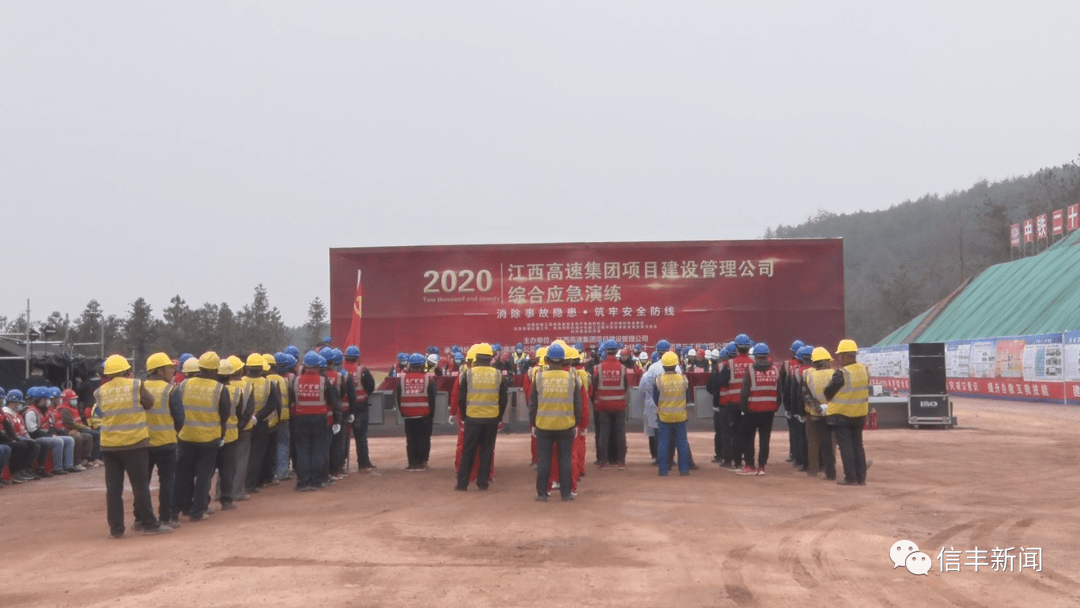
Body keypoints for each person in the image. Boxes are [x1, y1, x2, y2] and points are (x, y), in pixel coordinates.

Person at [95, 354, 172, 537]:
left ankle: (116, 529)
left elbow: (102, 411)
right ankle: (149, 524)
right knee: (140, 486)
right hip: (134, 443)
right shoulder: (136, 385)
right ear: (126, 371)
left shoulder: (100, 391)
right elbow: (150, 403)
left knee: (113, 490)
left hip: (110, 446)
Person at [171, 351, 231, 522]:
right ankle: (197, 511)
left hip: (186, 436)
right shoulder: (220, 389)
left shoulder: (183, 385)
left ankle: (175, 512)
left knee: (182, 476)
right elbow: (224, 414)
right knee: (204, 477)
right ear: (214, 370)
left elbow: (177, 409)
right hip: (209, 439)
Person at [528, 343, 582, 502]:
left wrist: (534, 423)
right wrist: (575, 423)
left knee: (544, 461)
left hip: (544, 425)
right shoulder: (572, 378)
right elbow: (577, 405)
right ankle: (566, 493)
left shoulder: (539, 377)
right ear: (563, 360)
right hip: (566, 425)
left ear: (547, 360)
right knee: (565, 461)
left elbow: (533, 404)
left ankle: (542, 493)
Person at [454, 343, 508, 491]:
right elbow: (503, 399)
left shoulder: (468, 374)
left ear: (476, 358)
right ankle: (483, 482)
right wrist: (498, 416)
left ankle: (462, 483)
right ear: (491, 358)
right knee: (487, 451)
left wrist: (464, 416)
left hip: (472, 418)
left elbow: (461, 398)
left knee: (468, 451)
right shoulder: (497, 374)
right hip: (491, 419)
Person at [290, 351, 342, 491]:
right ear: (319, 366)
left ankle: (302, 482)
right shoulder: (323, 381)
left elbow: (291, 399)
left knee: (302, 451)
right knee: (318, 450)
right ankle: (316, 482)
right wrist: (337, 420)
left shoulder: (296, 380)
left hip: (300, 419)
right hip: (319, 419)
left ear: (305, 365)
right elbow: (333, 400)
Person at [142, 352, 183, 527]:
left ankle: (140, 518)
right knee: (167, 481)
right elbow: (179, 418)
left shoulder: (139, 387)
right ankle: (167, 517)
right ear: (159, 370)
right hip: (166, 442)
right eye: (168, 368)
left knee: (142, 483)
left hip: (143, 442)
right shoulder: (170, 390)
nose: (172, 372)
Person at [823, 339, 870, 486]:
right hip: (860, 414)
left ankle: (850, 478)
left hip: (841, 415)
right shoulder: (864, 370)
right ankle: (861, 477)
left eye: (840, 356)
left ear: (846, 356)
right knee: (858, 445)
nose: (839, 359)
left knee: (846, 446)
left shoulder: (842, 373)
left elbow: (828, 391)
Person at [736, 343, 781, 476]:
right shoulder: (775, 370)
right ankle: (762, 467)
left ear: (755, 356)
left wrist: (744, 409)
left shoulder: (750, 370)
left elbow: (744, 392)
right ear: (767, 355)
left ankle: (750, 465)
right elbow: (779, 393)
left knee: (748, 437)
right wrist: (775, 407)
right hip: (769, 411)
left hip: (752, 410)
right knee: (764, 439)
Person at [801, 347, 837, 480]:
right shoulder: (835, 373)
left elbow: (805, 395)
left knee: (813, 443)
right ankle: (830, 468)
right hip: (831, 413)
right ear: (827, 361)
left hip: (813, 414)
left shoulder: (807, 374)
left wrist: (817, 408)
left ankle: (813, 470)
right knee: (831, 444)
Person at [396, 353, 437, 471]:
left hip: (408, 414)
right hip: (424, 414)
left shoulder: (402, 379)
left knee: (410, 439)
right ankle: (422, 463)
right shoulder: (428, 379)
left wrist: (402, 412)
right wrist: (431, 415)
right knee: (424, 438)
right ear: (422, 365)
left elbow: (398, 396)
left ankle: (412, 463)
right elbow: (432, 398)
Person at [717, 337, 753, 471]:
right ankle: (749, 462)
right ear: (749, 348)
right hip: (749, 404)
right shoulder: (753, 363)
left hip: (733, 403)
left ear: (736, 348)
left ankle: (737, 462)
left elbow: (721, 381)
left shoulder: (730, 364)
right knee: (749, 434)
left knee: (735, 433)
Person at [592, 340, 628, 469]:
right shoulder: (622, 368)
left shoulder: (598, 368)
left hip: (603, 406)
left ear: (605, 351)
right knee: (620, 434)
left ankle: (603, 462)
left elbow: (594, 386)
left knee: (604, 434)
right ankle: (621, 462)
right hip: (619, 405)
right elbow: (626, 386)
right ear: (617, 351)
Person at [654, 351, 691, 476]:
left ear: (663, 365)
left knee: (663, 444)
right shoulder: (683, 379)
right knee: (682, 444)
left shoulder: (659, 380)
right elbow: (688, 397)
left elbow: (655, 398)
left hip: (664, 418)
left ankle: (663, 470)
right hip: (680, 417)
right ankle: (684, 469)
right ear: (676, 365)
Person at [341, 345, 377, 470]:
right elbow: (371, 387)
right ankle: (363, 463)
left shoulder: (340, 371)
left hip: (344, 408)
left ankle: (340, 464)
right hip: (360, 407)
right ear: (357, 357)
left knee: (343, 437)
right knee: (361, 436)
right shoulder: (362, 371)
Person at [1, 389, 38, 482]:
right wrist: (11, 440)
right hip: (3, 438)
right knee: (17, 446)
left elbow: (7, 426)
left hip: (5, 437)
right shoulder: (6, 412)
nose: (2, 401)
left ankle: (22, 470)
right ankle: (14, 472)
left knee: (30, 444)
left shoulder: (2, 411)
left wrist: (14, 439)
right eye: (1, 399)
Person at [778, 340, 805, 467]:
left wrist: (786, 403)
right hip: (809, 403)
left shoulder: (787, 364)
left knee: (794, 430)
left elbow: (783, 383)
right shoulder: (811, 365)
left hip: (791, 401)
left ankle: (794, 454)